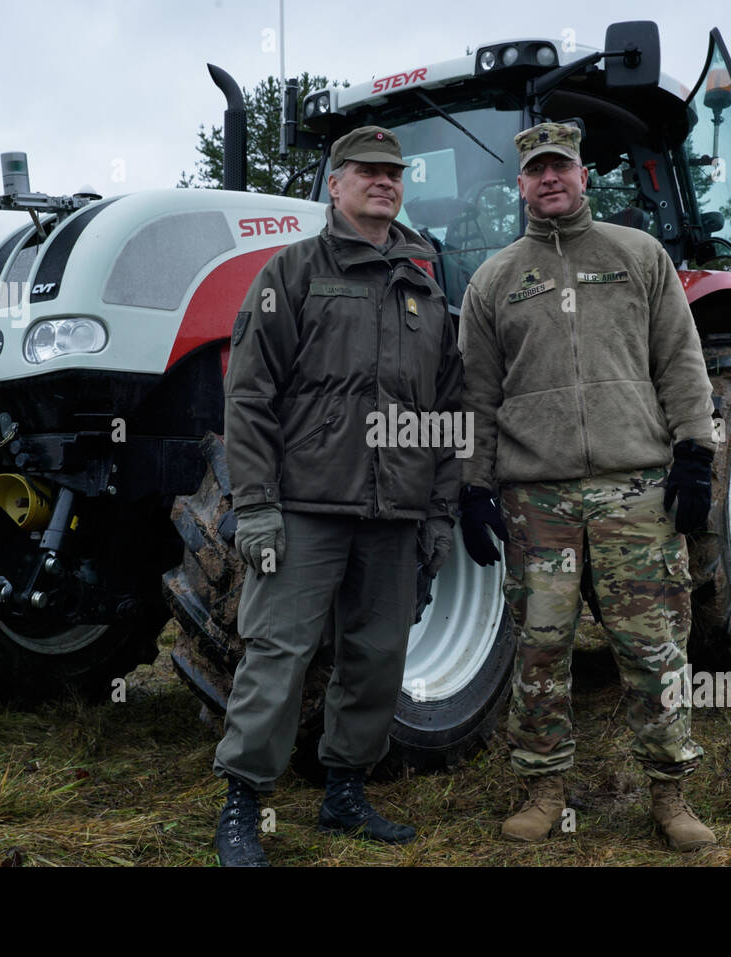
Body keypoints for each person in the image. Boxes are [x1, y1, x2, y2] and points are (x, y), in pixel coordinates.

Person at [457, 121, 720, 851]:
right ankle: (543, 786)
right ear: (521, 184)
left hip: (634, 488)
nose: (550, 179)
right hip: (535, 499)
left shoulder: (639, 256)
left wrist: (695, 453)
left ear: (582, 175)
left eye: (561, 167)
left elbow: (680, 361)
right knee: (540, 646)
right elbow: (477, 397)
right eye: (536, 170)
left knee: (653, 645)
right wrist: (474, 487)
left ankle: (670, 793)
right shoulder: (495, 279)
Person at [212, 126, 462, 866]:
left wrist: (441, 510)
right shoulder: (291, 272)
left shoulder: (425, 286)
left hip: (396, 514)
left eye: (393, 173)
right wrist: (254, 503)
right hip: (305, 510)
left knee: (379, 656)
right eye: (366, 172)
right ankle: (242, 807)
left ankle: (344, 792)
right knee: (277, 656)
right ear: (335, 183)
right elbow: (249, 397)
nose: (383, 182)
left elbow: (453, 409)